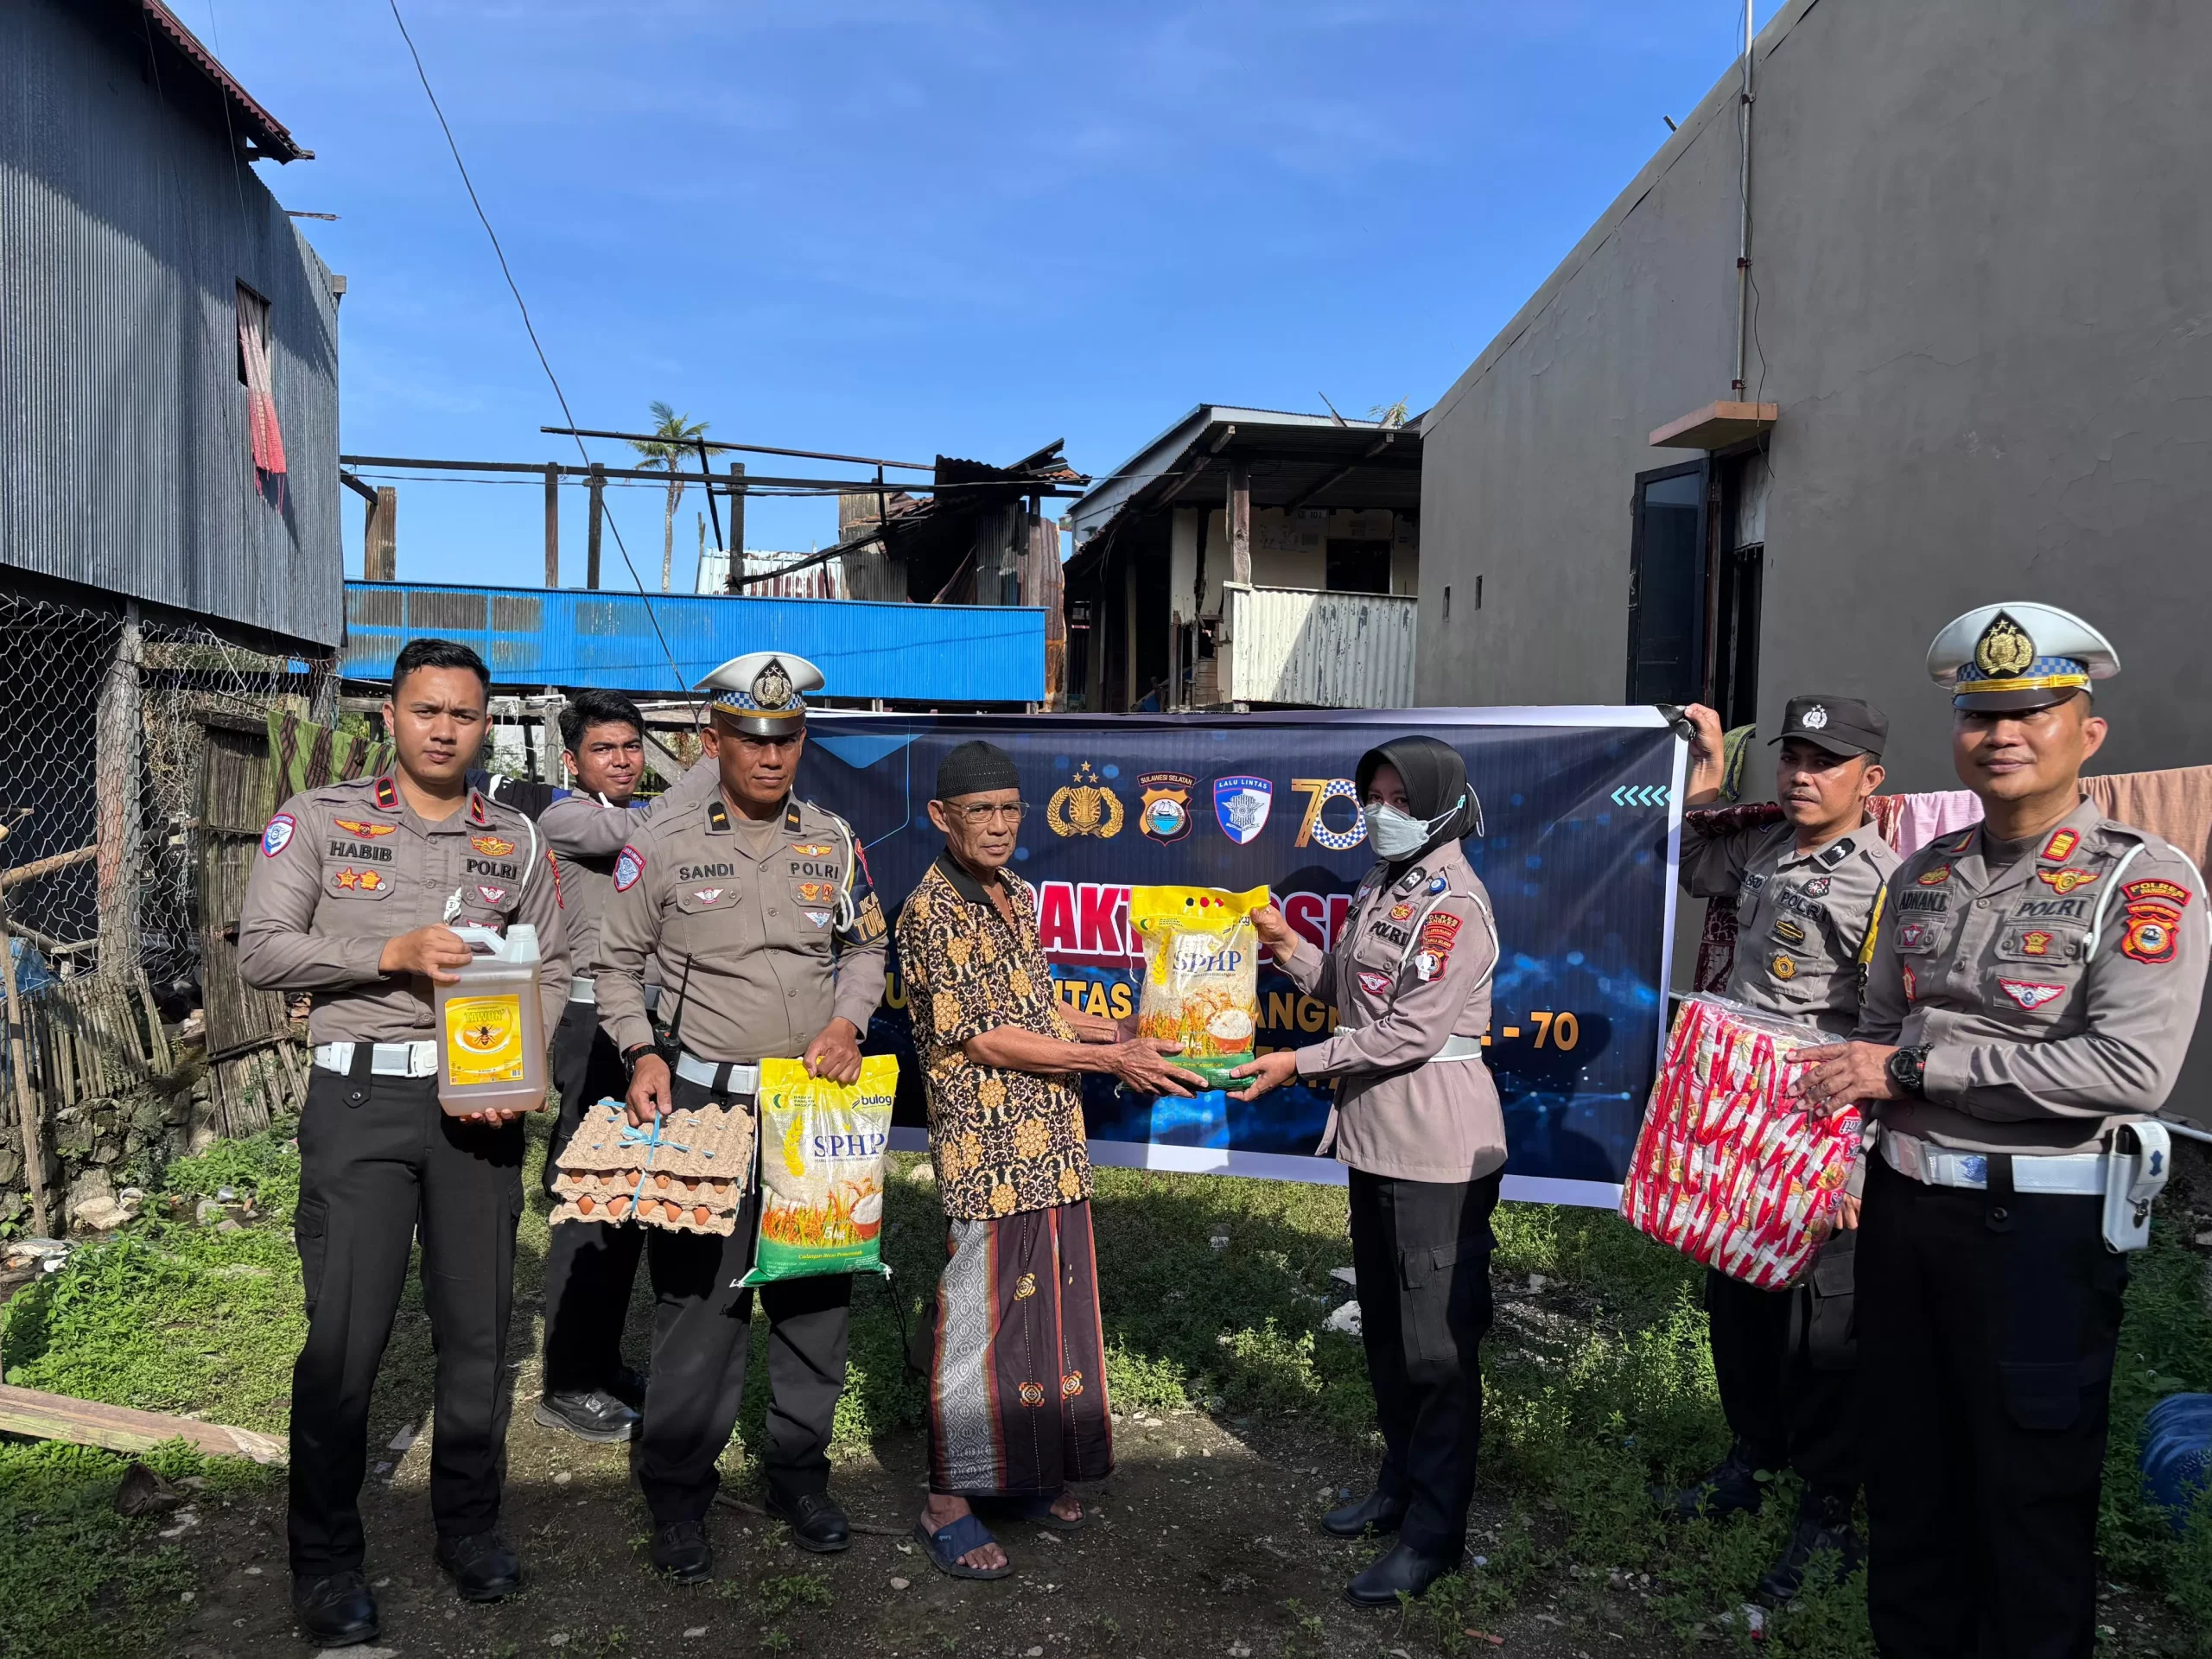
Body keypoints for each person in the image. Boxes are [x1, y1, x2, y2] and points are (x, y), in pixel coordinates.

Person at [1795, 603, 2208, 1658]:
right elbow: (1873, 1027)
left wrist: (1912, 1070)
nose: (2002, 734)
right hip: (1902, 1218)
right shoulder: (1920, 874)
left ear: (2088, 732)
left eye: (2032, 712)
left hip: (2036, 1236)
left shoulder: (2139, 878)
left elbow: (2128, 1069)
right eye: (1981, 715)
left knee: (2029, 1503)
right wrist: (1852, 1147)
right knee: (1910, 1487)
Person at [238, 638, 571, 1646]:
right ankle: (326, 1560)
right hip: (362, 1102)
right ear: (389, 715)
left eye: (463, 714)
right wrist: (387, 950)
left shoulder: (515, 839)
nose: (442, 730)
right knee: (346, 1337)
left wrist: (521, 1072)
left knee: (477, 1333)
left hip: (478, 1108)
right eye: (425, 710)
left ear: (485, 725)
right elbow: (261, 950)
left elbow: (555, 964)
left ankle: (468, 1527)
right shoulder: (320, 820)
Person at [594, 651, 887, 1581]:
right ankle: (679, 1494)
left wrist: (847, 1021)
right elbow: (614, 965)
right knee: (700, 1305)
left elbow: (866, 948)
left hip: (810, 1103)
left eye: (787, 738)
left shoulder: (832, 840)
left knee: (814, 1295)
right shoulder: (663, 841)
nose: (771, 756)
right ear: (712, 739)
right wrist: (640, 1051)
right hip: (703, 1101)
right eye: (752, 738)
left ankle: (800, 1475)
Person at [895, 741, 1205, 1580]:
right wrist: (1110, 1062)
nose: (998, 827)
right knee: (980, 1322)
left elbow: (1032, 1007)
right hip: (988, 1150)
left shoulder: (1016, 895)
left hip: (1052, 1144)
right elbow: (985, 1037)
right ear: (942, 817)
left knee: (1043, 1324)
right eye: (979, 813)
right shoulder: (932, 912)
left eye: (1008, 809)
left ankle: (1021, 1474)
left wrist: (1119, 1030)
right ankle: (946, 1502)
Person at [1228, 734, 1501, 1607]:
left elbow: (1412, 1032)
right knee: (1388, 1333)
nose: (1381, 812)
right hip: (1376, 1140)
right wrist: (1285, 946)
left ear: (1443, 806)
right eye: (1373, 797)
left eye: (1400, 799)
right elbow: (1351, 994)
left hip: (1436, 1150)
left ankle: (1434, 1536)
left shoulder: (1455, 905)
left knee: (1437, 1350)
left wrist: (1298, 1063)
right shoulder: (1383, 885)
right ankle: (1397, 1487)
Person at [1663, 695, 1898, 1602]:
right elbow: (1690, 861)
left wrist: (1858, 1163)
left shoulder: (1885, 883)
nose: (1802, 776)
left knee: (1820, 1325)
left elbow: (1889, 1030)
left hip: (1821, 1126)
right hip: (1742, 1116)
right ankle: (1750, 1459)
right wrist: (1708, 767)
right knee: (1738, 1298)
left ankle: (1828, 1511)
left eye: (1825, 762)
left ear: (1870, 781)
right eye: (1793, 758)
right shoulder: (1763, 845)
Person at [533, 690, 715, 1442]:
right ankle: (569, 1383)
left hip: (650, 1029)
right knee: (593, 1203)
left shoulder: (645, 816)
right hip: (595, 1027)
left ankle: (602, 1366)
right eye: (603, 749)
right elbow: (652, 829)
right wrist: (713, 763)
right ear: (571, 761)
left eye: (632, 747)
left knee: (632, 1204)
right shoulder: (568, 818)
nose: (621, 760)